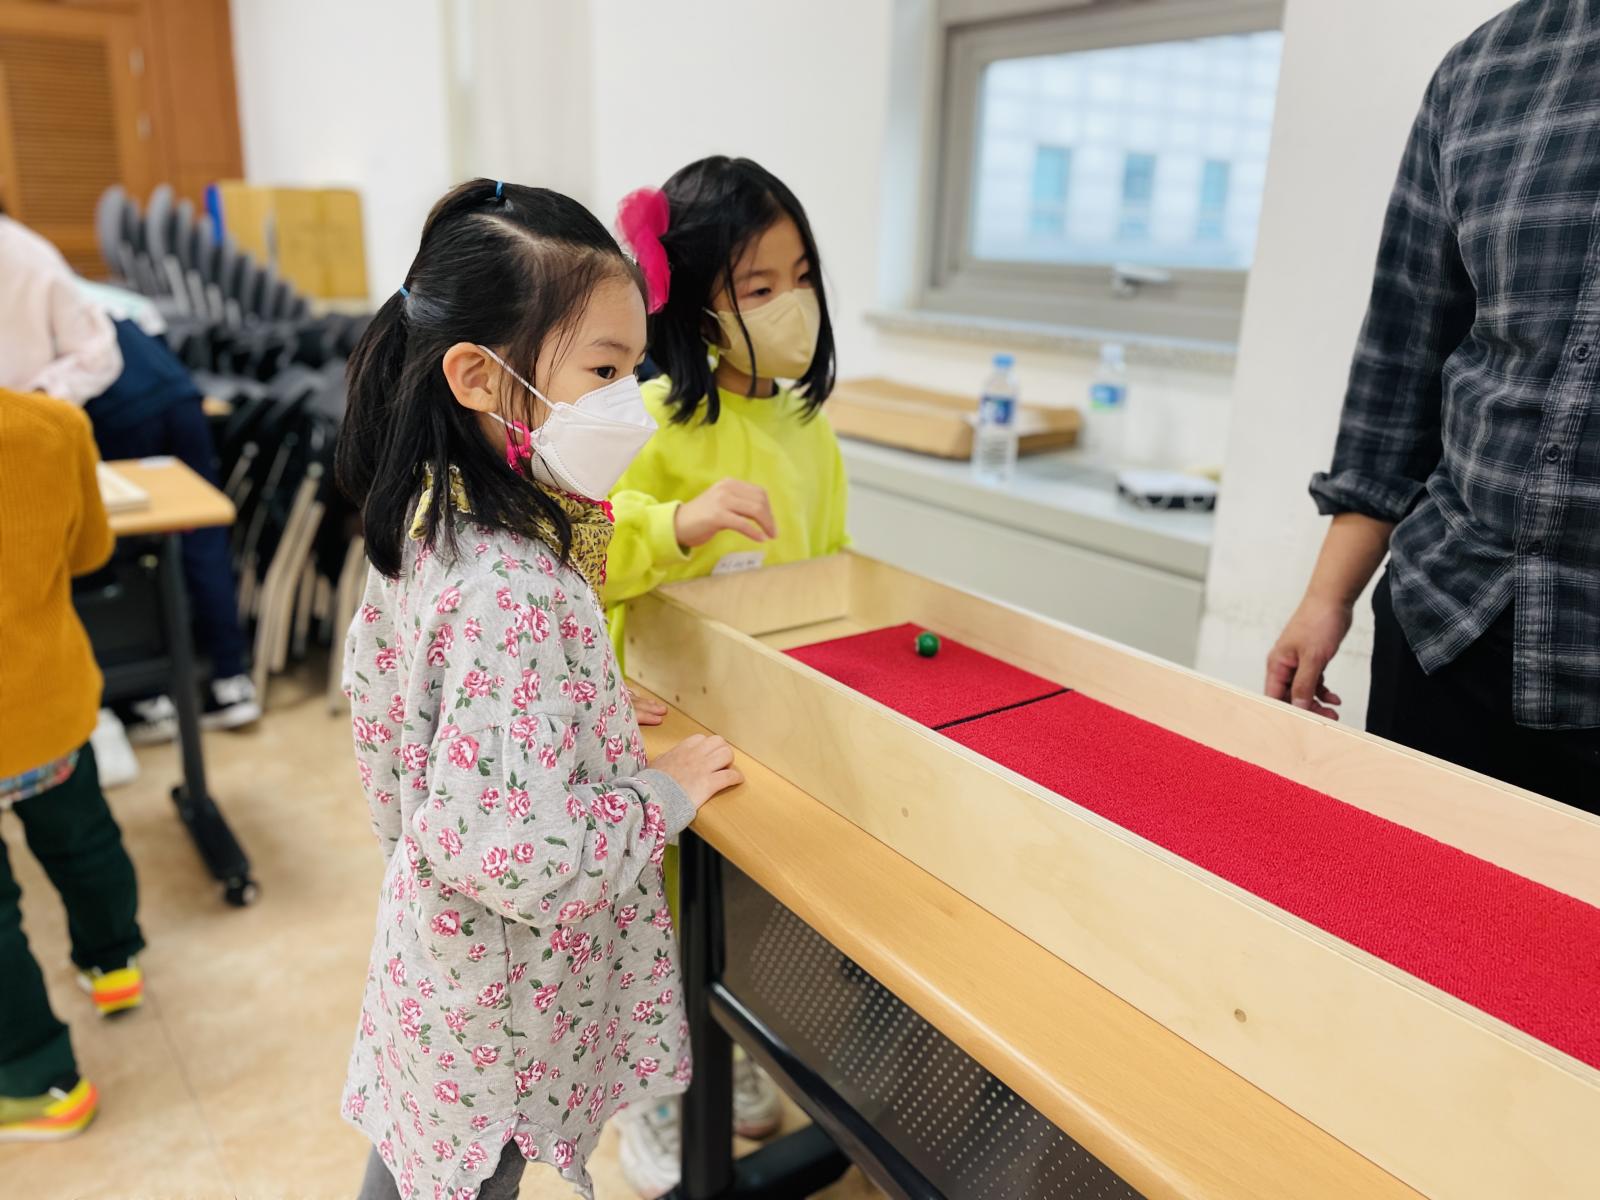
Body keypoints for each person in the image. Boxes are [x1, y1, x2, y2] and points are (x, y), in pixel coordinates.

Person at [335, 179, 743, 1200]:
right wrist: (661, 794)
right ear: (478, 375)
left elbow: (401, 716)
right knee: (470, 1178)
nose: (627, 400)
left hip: (439, 977)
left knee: (418, 1166)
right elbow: (524, 857)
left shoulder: (428, 511)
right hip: (502, 1016)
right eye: (604, 369)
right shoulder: (511, 586)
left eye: (632, 367)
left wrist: (574, 706)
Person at [1266, 0, 1599, 814]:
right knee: (1393, 890)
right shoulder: (1482, 68)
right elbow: (1403, 352)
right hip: (1451, 622)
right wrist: (1326, 597)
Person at [602, 156, 850, 1197]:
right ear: (694, 296)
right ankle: (651, 1096)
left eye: (801, 276)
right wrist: (675, 523)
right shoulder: (647, 420)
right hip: (665, 721)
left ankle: (718, 1053)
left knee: (737, 919)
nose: (791, 302)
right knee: (654, 921)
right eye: (757, 286)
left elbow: (828, 567)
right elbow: (585, 554)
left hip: (766, 718)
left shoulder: (807, 426)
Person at [0, 211, 259, 738]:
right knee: (197, 537)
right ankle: (229, 680)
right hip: (175, 395)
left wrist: (38, 403)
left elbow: (96, 360)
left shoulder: (28, 257)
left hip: (115, 411)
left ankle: (146, 697)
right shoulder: (46, 258)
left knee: (124, 544)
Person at [0, 388, 146, 1142]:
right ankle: (113, 964)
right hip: (45, 703)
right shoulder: (53, 424)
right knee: (84, 840)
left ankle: (39, 1083)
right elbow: (89, 553)